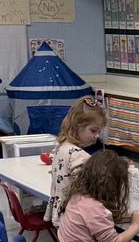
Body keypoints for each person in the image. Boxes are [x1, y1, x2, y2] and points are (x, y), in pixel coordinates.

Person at [44, 97, 107, 228]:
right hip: (76, 217)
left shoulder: (60, 147)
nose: (97, 136)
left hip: (61, 211)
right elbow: (88, 191)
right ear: (77, 125)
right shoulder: (79, 155)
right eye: (93, 130)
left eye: (99, 132)